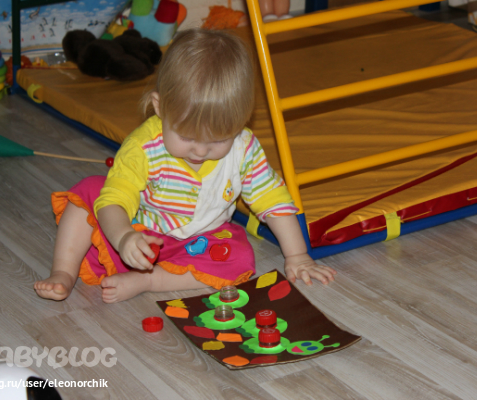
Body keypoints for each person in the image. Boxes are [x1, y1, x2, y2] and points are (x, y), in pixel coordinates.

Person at [34, 28, 336, 303]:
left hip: (201, 242)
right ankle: (63, 271)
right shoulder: (143, 146)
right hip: (138, 234)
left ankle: (150, 281)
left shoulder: (244, 148)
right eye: (187, 137)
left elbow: (273, 200)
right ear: (160, 107)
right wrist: (124, 236)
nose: (201, 151)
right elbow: (116, 198)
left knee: (241, 259)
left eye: (219, 140)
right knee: (88, 192)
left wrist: (297, 255)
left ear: (240, 122)